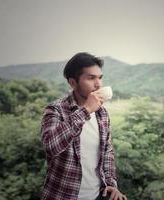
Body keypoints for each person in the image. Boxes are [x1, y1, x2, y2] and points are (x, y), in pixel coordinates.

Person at [40, 52, 126, 200]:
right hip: (61, 196)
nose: (98, 84)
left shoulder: (102, 113)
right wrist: (85, 110)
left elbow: (107, 152)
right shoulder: (56, 110)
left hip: (97, 196)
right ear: (73, 83)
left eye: (100, 78)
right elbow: (50, 146)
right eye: (91, 78)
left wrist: (111, 182)